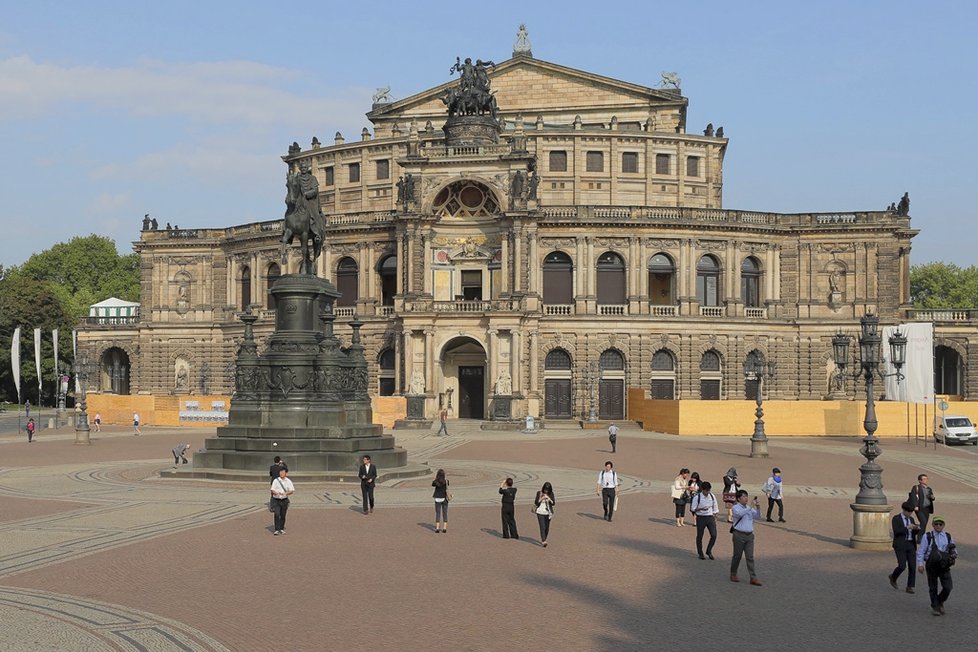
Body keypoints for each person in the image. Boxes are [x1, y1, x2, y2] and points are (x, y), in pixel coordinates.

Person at [917, 516, 956, 616]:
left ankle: (939, 601)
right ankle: (935, 607)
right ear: (933, 525)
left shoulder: (948, 536)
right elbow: (921, 552)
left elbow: (953, 549)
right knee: (933, 587)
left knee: (948, 587)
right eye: (936, 524)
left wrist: (954, 554)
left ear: (943, 525)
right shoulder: (928, 536)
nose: (938, 526)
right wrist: (920, 565)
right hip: (932, 565)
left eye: (940, 524)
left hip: (944, 565)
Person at [729, 490, 763, 586]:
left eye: (747, 496)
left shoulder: (748, 508)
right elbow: (740, 514)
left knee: (750, 557)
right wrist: (751, 507)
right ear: (739, 498)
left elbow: (757, 517)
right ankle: (733, 573)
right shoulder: (735, 508)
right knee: (737, 556)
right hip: (739, 534)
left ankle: (753, 577)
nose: (746, 498)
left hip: (749, 536)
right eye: (744, 496)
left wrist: (758, 507)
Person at [889, 500, 919, 593]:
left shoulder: (911, 519)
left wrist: (916, 529)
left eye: (911, 512)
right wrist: (906, 528)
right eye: (908, 512)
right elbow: (897, 532)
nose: (910, 514)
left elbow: (914, 533)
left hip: (910, 544)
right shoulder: (896, 518)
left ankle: (910, 586)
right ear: (904, 510)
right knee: (902, 565)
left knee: (912, 566)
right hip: (900, 544)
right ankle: (893, 576)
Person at [690, 481, 719, 560]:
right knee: (700, 536)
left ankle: (708, 551)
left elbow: (715, 507)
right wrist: (700, 508)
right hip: (701, 517)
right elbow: (693, 509)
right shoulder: (697, 497)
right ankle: (700, 553)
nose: (707, 492)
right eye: (706, 490)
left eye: (709, 490)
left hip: (710, 517)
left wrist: (715, 516)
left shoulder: (712, 496)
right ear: (702, 489)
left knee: (714, 535)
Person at [908, 474, 935, 541]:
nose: (926, 480)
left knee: (924, 523)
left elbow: (932, 497)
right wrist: (915, 506)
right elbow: (913, 497)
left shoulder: (929, 489)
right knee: (923, 521)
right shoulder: (916, 487)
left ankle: (920, 534)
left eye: (927, 479)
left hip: (927, 508)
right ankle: (919, 537)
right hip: (919, 508)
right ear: (920, 480)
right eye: (924, 479)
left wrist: (933, 497)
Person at [269, 468, 294, 535]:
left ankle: (281, 528)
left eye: (283, 472)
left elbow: (291, 491)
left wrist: (286, 493)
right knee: (277, 514)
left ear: (286, 473)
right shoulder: (276, 480)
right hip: (276, 500)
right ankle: (277, 529)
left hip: (284, 500)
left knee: (283, 515)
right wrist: (275, 493)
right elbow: (272, 490)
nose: (281, 473)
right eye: (280, 472)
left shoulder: (288, 481)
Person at [534, 481, 556, 547]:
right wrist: (541, 499)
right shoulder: (539, 493)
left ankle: (544, 538)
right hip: (540, 512)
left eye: (547, 490)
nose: (546, 491)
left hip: (548, 513)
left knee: (547, 527)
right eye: (545, 490)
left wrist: (549, 499)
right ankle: (543, 540)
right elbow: (536, 503)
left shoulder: (551, 493)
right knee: (542, 527)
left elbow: (553, 503)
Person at [432, 468, 450, 533]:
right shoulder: (446, 481)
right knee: (445, 513)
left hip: (437, 499)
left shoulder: (435, 482)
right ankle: (444, 528)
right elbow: (447, 486)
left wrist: (436, 479)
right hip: (444, 498)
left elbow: (433, 484)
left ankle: (437, 528)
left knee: (438, 513)